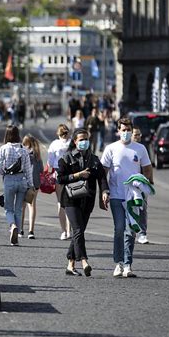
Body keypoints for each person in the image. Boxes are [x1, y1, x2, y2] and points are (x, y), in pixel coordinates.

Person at [101, 118, 153, 278]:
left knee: (130, 231)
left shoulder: (140, 149)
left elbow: (148, 169)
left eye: (128, 129)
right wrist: (104, 191)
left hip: (133, 197)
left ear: (132, 130)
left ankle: (128, 265)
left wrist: (145, 186)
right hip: (116, 195)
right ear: (118, 131)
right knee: (119, 228)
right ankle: (118, 263)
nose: (126, 132)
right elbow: (103, 171)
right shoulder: (111, 149)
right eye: (123, 130)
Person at [57, 129, 109, 277]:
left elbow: (102, 178)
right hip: (70, 200)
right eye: (81, 139)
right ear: (75, 142)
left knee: (78, 233)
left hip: (87, 201)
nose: (84, 142)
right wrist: (78, 175)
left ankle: (70, 264)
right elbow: (60, 179)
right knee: (78, 231)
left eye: (86, 139)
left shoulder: (94, 159)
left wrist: (105, 192)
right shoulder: (66, 158)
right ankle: (84, 260)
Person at [0, 125, 33, 246]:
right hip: (22, 180)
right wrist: (30, 185)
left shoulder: (4, 148)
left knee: (8, 208)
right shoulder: (24, 150)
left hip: (9, 180)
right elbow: (28, 169)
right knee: (18, 209)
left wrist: (3, 173)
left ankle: (12, 226)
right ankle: (17, 234)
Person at [47, 124, 71, 240]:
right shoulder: (72, 143)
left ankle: (63, 231)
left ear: (58, 133)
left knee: (60, 203)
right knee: (71, 201)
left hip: (59, 173)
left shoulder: (54, 144)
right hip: (72, 173)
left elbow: (50, 162)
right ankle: (70, 230)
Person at [21, 135, 43, 239]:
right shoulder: (37, 155)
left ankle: (20, 229)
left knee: (22, 206)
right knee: (32, 205)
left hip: (24, 182)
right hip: (35, 183)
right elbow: (41, 170)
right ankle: (31, 230)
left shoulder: (23, 153)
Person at [132, 128, 149, 244]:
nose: (137, 137)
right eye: (135, 135)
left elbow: (148, 167)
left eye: (139, 134)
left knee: (142, 208)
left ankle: (142, 233)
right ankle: (131, 231)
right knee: (130, 207)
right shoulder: (126, 148)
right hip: (128, 184)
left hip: (141, 184)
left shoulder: (142, 149)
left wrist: (147, 182)